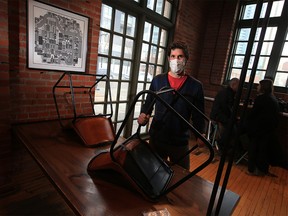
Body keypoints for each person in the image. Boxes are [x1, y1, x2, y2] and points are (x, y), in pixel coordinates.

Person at [137, 41, 206, 170]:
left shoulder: (195, 86)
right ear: (168, 59)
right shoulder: (158, 80)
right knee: (153, 172)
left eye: (180, 57)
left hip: (179, 140)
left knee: (182, 175)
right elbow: (148, 103)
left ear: (186, 59)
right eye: (173, 56)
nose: (176, 60)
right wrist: (143, 116)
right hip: (158, 137)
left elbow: (198, 114)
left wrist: (200, 133)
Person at [246, 79, 279, 176]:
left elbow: (253, 114)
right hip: (268, 129)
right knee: (263, 150)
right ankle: (262, 169)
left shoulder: (261, 98)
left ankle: (252, 170)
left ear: (263, 87)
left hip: (258, 129)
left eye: (259, 85)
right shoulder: (273, 98)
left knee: (254, 148)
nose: (257, 87)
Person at [210, 78, 239, 152]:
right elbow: (225, 108)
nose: (239, 88)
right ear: (233, 85)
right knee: (232, 127)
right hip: (218, 115)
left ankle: (224, 145)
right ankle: (221, 144)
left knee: (232, 126)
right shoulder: (228, 93)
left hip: (218, 114)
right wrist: (233, 117)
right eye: (238, 86)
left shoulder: (226, 92)